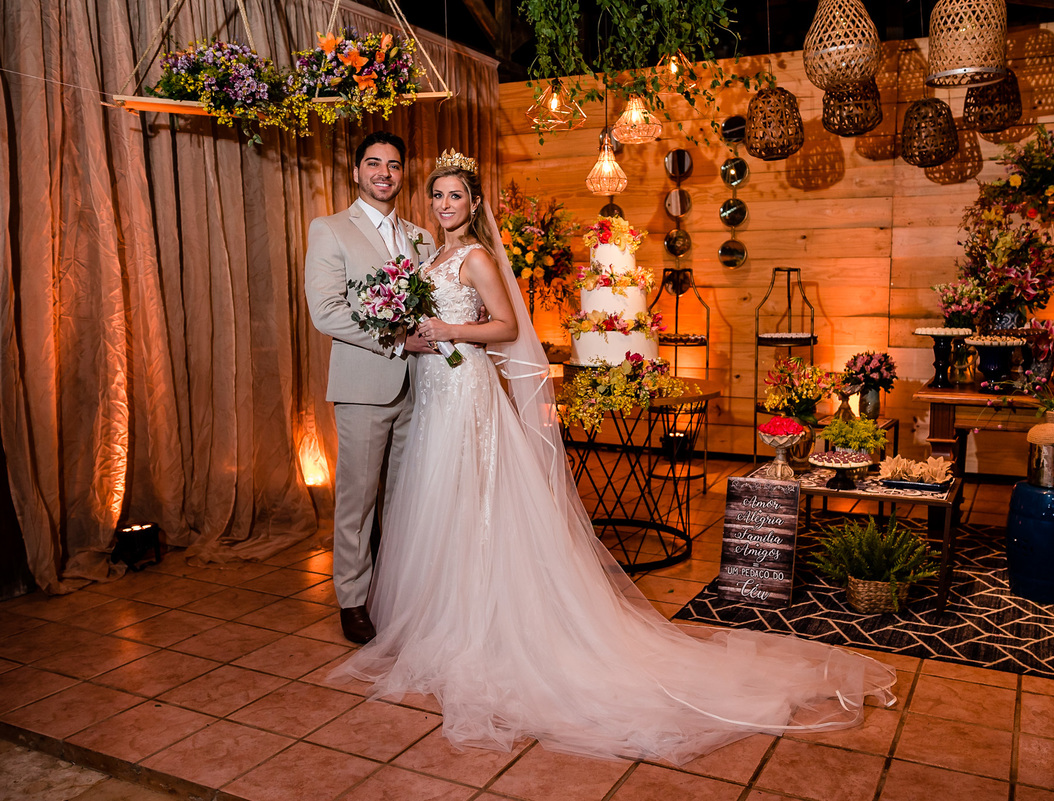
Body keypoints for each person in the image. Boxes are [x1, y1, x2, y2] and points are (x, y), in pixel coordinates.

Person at [333, 150, 897, 765]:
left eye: (456, 197)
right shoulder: (430, 256)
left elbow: (503, 329)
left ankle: (485, 623)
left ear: (473, 204)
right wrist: (416, 333)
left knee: (476, 497)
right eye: (438, 196)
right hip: (432, 389)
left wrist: (452, 332)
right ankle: (434, 616)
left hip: (465, 388)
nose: (445, 206)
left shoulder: (476, 257)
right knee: (438, 501)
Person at [304, 132, 436, 644]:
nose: (385, 172)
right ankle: (353, 599)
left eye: (395, 165)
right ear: (357, 171)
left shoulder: (423, 237)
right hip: (364, 384)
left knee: (405, 497)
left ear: (404, 175)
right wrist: (398, 343)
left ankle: (394, 590)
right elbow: (327, 312)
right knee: (358, 500)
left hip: (422, 386)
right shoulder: (331, 229)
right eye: (374, 163)